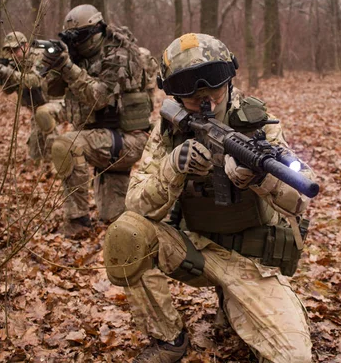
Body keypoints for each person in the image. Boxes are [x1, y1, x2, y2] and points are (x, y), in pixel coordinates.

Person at [103, 33, 316, 362]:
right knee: (126, 234)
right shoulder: (169, 130)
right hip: (195, 250)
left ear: (230, 76)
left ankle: (232, 304)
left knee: (294, 357)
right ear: (173, 91)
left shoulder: (258, 125)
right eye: (188, 87)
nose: (205, 96)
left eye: (214, 81)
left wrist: (261, 178)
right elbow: (135, 201)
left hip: (251, 264)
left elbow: (302, 194)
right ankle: (169, 340)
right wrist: (173, 168)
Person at [41, 4, 151, 238]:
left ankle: (77, 222)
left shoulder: (120, 54)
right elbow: (51, 90)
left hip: (130, 140)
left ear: (96, 31)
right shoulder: (79, 56)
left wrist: (68, 67)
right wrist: (56, 64)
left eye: (79, 38)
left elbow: (100, 98)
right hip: (105, 141)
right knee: (114, 217)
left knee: (66, 145)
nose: (76, 43)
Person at [0, 31, 49, 163]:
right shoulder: (14, 64)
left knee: (52, 140)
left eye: (16, 49)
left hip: (53, 104)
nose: (14, 54)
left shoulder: (39, 56)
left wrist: (10, 73)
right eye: (10, 51)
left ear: (26, 46)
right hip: (36, 107)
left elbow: (35, 81)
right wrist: (3, 77)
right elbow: (7, 91)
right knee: (35, 149)